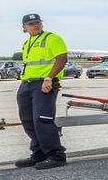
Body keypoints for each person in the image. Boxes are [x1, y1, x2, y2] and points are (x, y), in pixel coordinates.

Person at [15, 13, 68, 170]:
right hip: (27, 84)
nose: (35, 25)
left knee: (42, 119)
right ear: (24, 28)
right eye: (31, 24)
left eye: (37, 22)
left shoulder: (52, 38)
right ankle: (39, 154)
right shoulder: (27, 43)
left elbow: (62, 59)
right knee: (28, 120)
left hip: (44, 84)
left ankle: (56, 156)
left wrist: (49, 78)